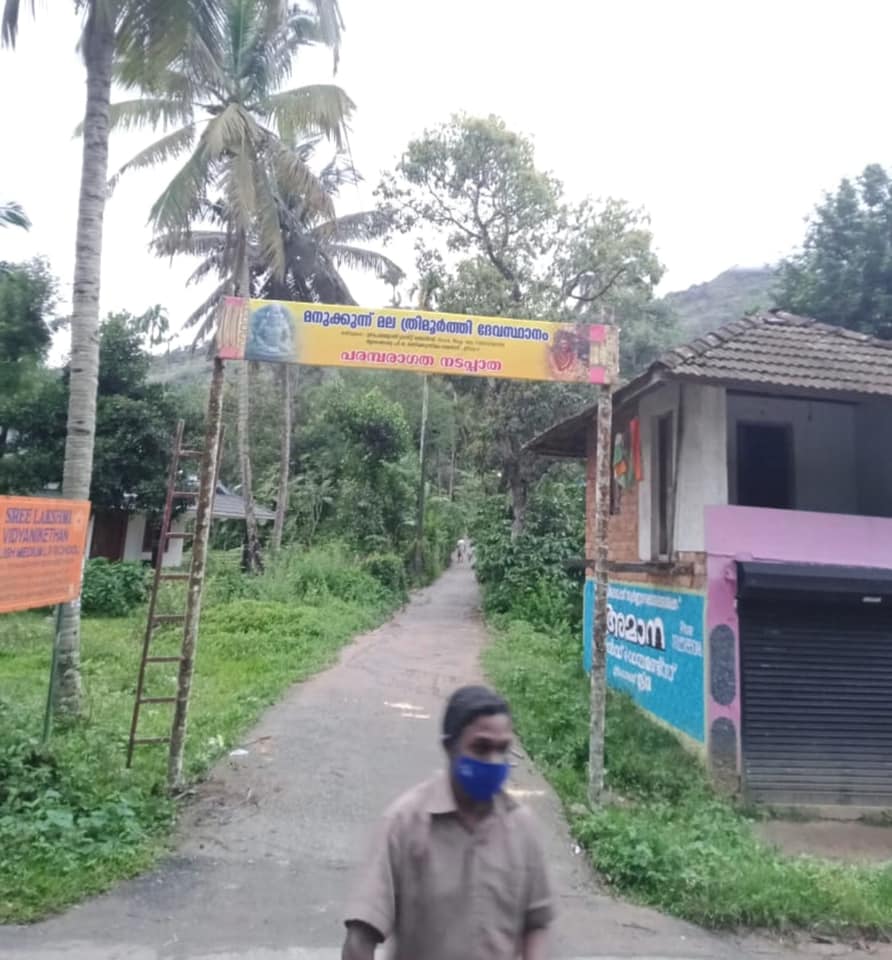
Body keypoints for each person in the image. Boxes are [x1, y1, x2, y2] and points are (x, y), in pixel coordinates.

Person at [342, 686, 553, 960]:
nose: (494, 760)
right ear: (449, 747)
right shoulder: (404, 825)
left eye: (502, 749)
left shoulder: (522, 828)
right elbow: (360, 938)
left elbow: (536, 923)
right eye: (481, 747)